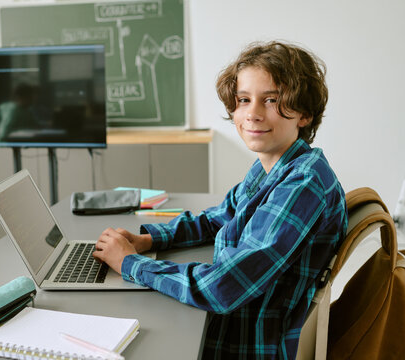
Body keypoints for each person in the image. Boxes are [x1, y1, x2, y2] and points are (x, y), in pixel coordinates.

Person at [93, 40, 348, 359]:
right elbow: (221, 216)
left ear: (305, 114)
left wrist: (129, 263)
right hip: (229, 325)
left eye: (271, 100)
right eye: (244, 99)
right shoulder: (273, 165)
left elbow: (223, 287)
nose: (252, 114)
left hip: (243, 344)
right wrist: (150, 239)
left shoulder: (303, 183)